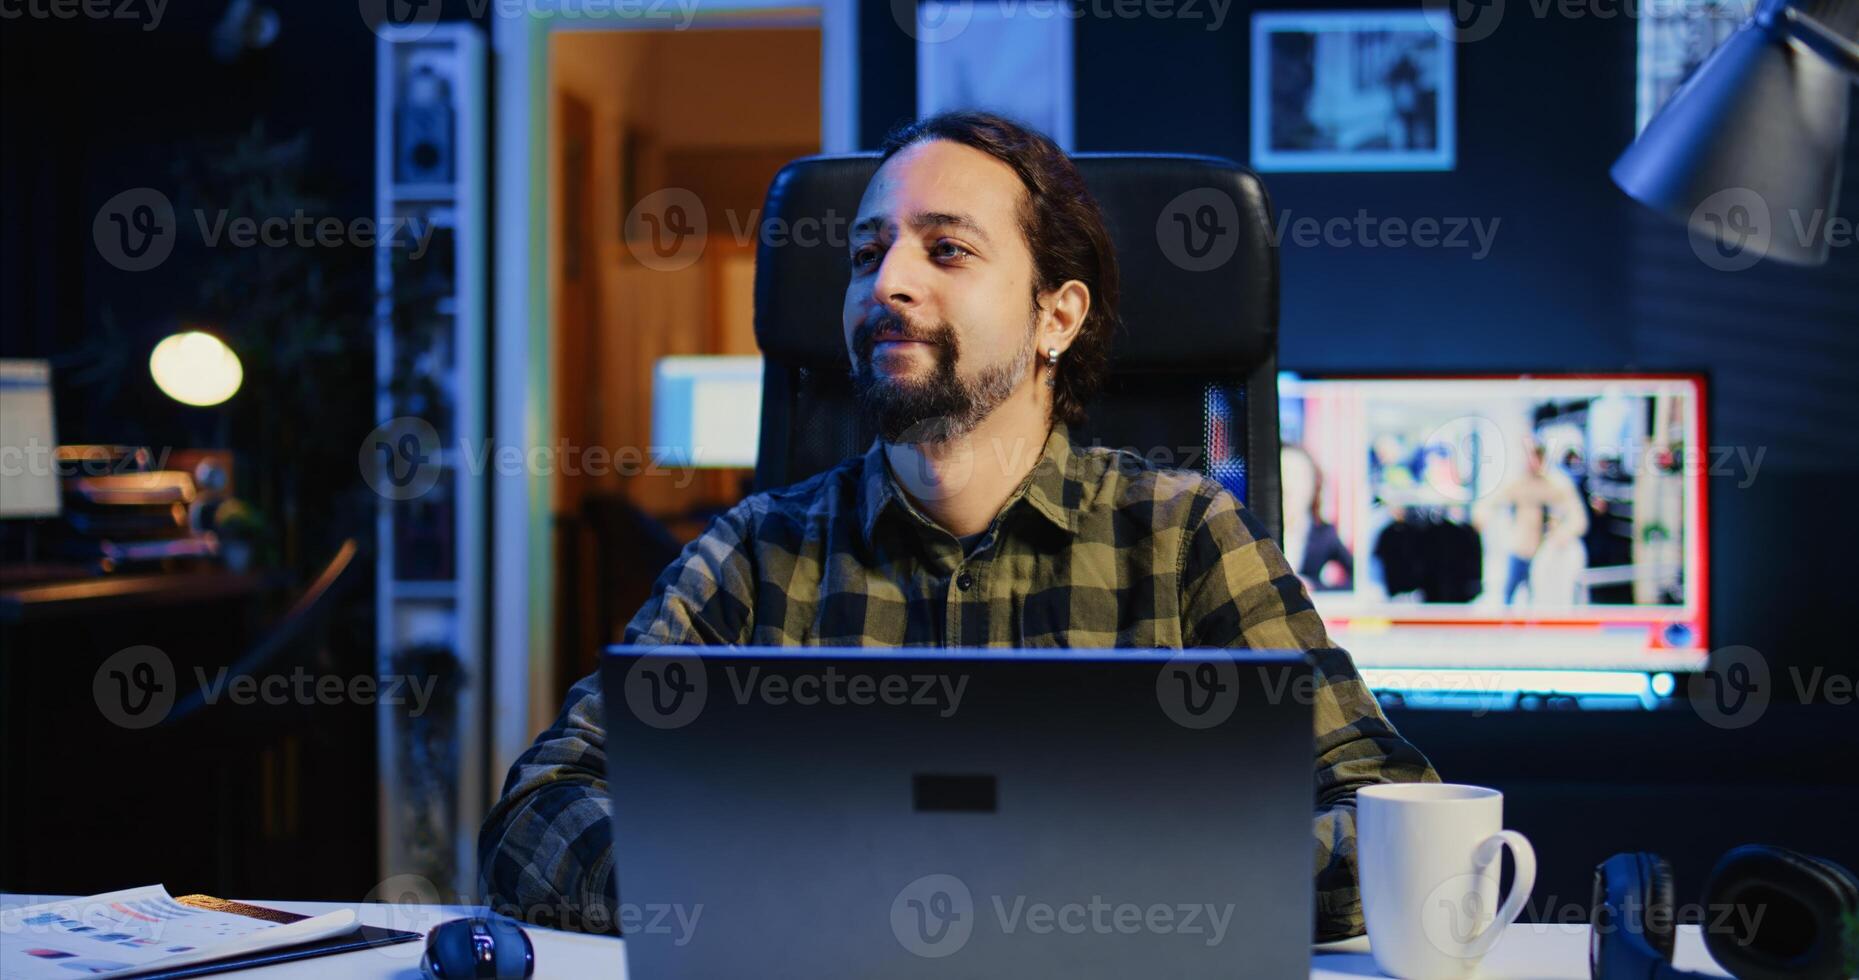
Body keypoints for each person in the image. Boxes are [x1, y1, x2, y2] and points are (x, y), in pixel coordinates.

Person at [478, 111, 1439, 942]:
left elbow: (1388, 821)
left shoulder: (1186, 538)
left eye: (946, 249)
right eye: (866, 253)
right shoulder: (756, 554)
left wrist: (1121, 890)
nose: (887, 280)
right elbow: (535, 815)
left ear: (1054, 318)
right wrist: (778, 889)